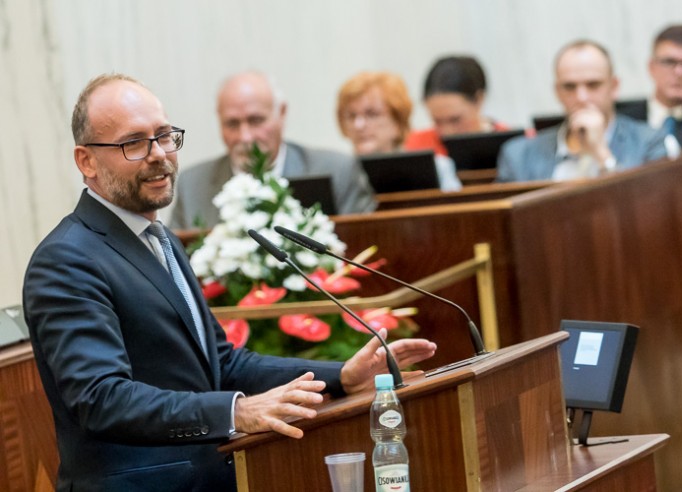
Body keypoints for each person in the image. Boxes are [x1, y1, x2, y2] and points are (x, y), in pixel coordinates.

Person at [22, 73, 437, 491]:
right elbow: (101, 398)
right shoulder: (67, 259)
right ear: (86, 161)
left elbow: (222, 364)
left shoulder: (160, 241)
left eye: (164, 136)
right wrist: (235, 412)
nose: (158, 154)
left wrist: (341, 376)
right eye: (133, 143)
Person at [169, 72, 376, 229]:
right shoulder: (193, 185)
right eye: (232, 124)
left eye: (256, 120)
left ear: (282, 114)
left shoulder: (336, 170)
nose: (245, 137)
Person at [497, 40, 668, 182]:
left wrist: (602, 154)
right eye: (569, 87)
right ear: (557, 92)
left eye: (593, 85)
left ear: (614, 86)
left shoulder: (650, 142)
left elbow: (651, 207)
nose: (581, 97)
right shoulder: (519, 155)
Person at [336, 71, 461, 191]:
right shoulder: (339, 176)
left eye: (372, 114)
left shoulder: (439, 169)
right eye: (351, 116)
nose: (358, 125)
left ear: (398, 121)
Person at [404, 55, 509, 156]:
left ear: (479, 100)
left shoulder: (509, 147)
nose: (446, 132)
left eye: (455, 120)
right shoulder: (416, 146)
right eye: (437, 121)